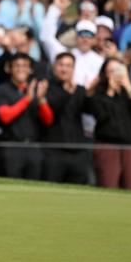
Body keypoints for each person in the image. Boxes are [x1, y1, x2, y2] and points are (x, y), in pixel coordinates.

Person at [88, 57, 131, 190]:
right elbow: (101, 116)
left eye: (118, 70)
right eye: (111, 71)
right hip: (107, 145)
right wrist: (109, 92)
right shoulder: (100, 91)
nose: (115, 75)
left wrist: (128, 87)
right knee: (108, 185)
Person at [0, 53, 52, 179]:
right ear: (10, 69)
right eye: (17, 66)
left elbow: (48, 120)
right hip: (11, 147)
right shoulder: (2, 89)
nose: (21, 69)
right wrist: (27, 99)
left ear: (30, 70)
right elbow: (5, 117)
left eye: (25, 66)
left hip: (33, 147)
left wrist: (41, 100)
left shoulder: (37, 90)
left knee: (34, 186)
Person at [42, 52, 89, 184]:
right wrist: (68, 93)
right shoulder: (46, 88)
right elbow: (52, 110)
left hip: (78, 151)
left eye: (68, 66)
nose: (64, 69)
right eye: (61, 65)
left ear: (73, 69)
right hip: (53, 151)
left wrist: (90, 93)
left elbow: (91, 110)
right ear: (54, 67)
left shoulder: (79, 90)